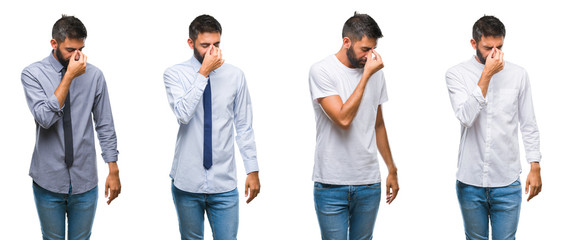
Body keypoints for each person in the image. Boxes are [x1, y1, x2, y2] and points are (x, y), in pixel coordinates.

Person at [21, 15, 121, 240]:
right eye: (70, 49)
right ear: (54, 44)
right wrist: (68, 77)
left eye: (81, 48)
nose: (77, 56)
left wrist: (113, 169)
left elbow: (105, 124)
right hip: (48, 181)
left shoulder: (94, 76)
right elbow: (45, 118)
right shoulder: (32, 74)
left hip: (85, 181)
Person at [163, 14, 261, 240]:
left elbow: (244, 126)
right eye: (205, 45)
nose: (212, 51)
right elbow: (183, 115)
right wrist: (204, 73)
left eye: (216, 44)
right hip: (187, 182)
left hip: (224, 184)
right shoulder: (174, 74)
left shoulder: (235, 75)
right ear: (191, 44)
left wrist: (252, 170)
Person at [446, 15, 542, 240]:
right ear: (474, 44)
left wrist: (535, 165)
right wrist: (487, 74)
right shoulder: (456, 74)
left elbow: (528, 123)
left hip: (507, 181)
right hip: (470, 183)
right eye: (488, 47)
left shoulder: (518, 74)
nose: (495, 53)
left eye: (499, 47)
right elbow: (466, 117)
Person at [308, 12, 399, 240]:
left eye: (373, 49)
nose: (370, 56)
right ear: (346, 42)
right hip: (331, 184)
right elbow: (343, 118)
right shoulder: (321, 71)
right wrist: (366, 76)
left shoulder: (374, 72)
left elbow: (377, 124)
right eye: (365, 49)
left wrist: (392, 168)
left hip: (368, 183)